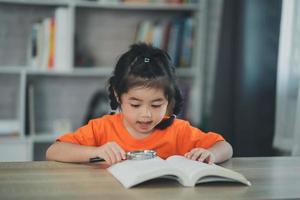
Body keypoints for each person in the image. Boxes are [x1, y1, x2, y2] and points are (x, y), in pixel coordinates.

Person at [46, 43, 233, 165]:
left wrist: (212, 155)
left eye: (156, 105)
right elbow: (54, 151)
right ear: (118, 96)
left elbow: (225, 146)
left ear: (168, 99)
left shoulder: (179, 131)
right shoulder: (102, 128)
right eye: (135, 105)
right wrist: (96, 152)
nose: (146, 115)